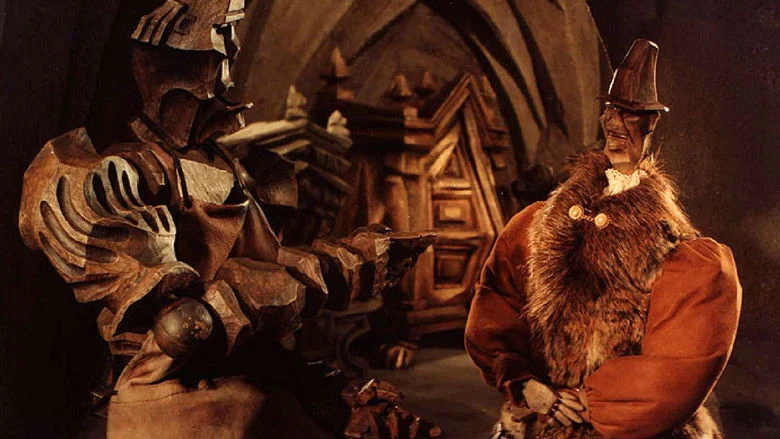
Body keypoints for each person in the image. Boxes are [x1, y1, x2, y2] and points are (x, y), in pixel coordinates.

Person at [18, 1, 437, 438]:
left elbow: (267, 264)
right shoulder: (124, 176)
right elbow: (188, 320)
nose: (225, 78)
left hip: (254, 364)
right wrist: (345, 267)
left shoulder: (237, 168)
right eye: (218, 55)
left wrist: (351, 264)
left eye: (229, 55)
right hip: (178, 388)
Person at [465, 39, 741, 439]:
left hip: (629, 429)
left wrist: (589, 402)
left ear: (651, 123)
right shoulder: (538, 226)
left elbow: (680, 365)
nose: (614, 122)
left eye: (628, 113)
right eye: (610, 110)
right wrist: (524, 383)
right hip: (542, 416)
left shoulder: (680, 254)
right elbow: (497, 303)